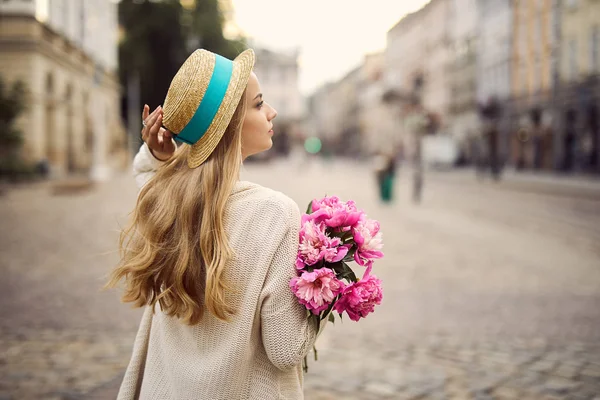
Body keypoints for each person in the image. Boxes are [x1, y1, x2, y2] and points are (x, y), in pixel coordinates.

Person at [106, 49, 324, 399]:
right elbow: (286, 350)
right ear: (230, 124)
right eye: (258, 104)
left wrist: (163, 157)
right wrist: (329, 280)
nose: (272, 112)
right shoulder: (274, 213)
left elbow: (149, 177)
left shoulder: (166, 201)